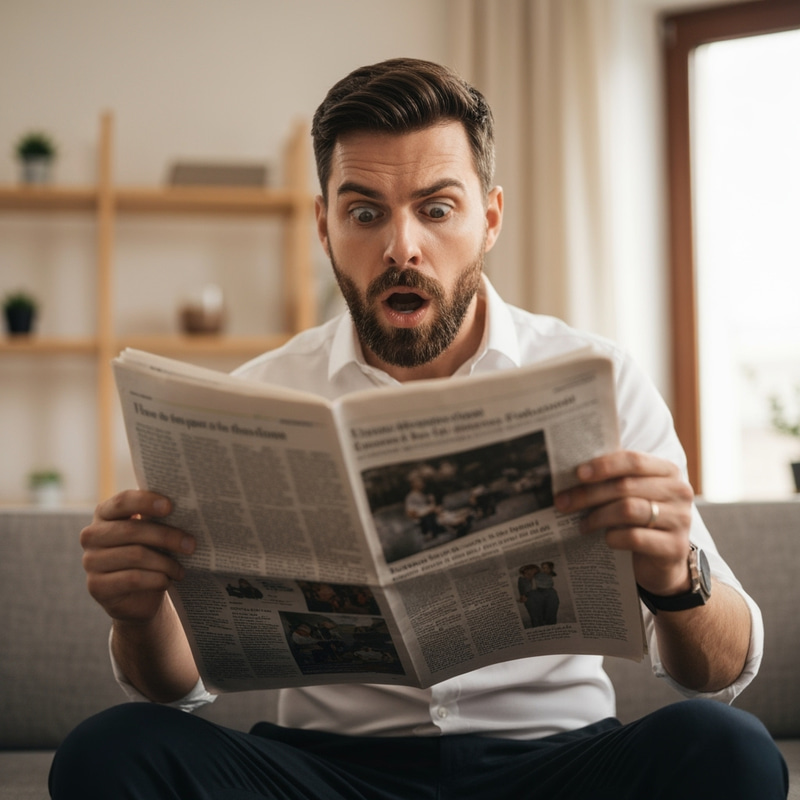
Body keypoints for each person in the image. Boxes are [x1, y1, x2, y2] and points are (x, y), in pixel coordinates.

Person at [51, 58, 788, 799]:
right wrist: (139, 616)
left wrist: (673, 577)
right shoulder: (251, 399)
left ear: (489, 219)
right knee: (110, 751)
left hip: (553, 765)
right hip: (328, 772)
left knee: (728, 749)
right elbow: (176, 687)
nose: (401, 247)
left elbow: (719, 671)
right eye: (365, 213)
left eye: (436, 209)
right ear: (324, 226)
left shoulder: (598, 377)